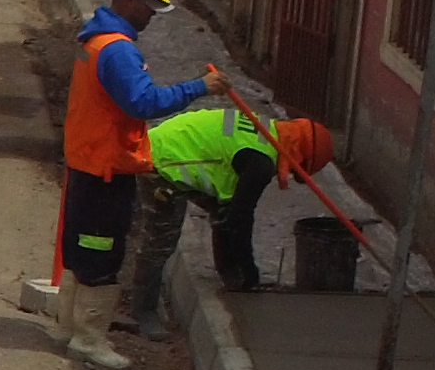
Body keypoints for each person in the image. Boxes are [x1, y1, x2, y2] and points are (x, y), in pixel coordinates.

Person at [20, 0, 211, 370]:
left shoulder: (94, 38)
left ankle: (68, 328)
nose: (152, 16)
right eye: (150, 6)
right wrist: (199, 87)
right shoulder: (119, 51)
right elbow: (144, 102)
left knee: (80, 249)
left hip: (87, 163)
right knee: (102, 253)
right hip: (107, 170)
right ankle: (88, 339)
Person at [128, 105, 335, 332]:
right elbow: (241, 219)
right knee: (160, 241)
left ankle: (229, 273)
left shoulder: (267, 131)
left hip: (173, 145)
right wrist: (250, 270)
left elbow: (232, 212)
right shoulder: (260, 163)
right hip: (162, 161)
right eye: (299, 171)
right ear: (301, 158)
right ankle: (143, 310)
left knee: (225, 209)